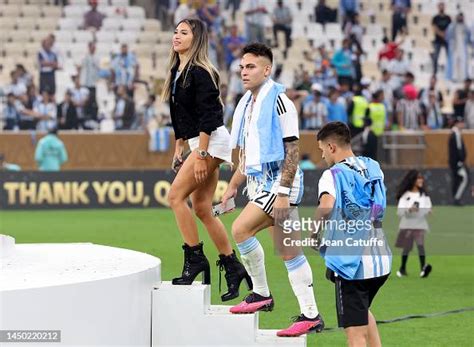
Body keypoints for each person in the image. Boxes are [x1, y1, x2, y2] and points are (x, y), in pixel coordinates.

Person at [223, 43, 324, 337]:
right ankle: (311, 315)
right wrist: (232, 187)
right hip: (262, 184)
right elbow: (249, 157)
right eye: (242, 67)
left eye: (251, 66)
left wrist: (282, 192)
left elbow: (293, 150)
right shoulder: (248, 105)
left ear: (267, 70)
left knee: (241, 230)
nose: (244, 72)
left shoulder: (280, 102)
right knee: (288, 251)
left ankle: (261, 294)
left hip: (278, 184)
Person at [162, 19, 250, 302]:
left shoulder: (200, 72)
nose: (177, 36)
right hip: (200, 142)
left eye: (183, 33)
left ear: (196, 39)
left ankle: (195, 257)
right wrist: (179, 144)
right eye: (176, 31)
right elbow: (181, 115)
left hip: (210, 142)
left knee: (175, 197)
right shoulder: (177, 71)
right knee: (202, 208)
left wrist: (200, 154)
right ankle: (232, 266)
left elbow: (209, 116)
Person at [314, 121, 391, 346]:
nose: (322, 157)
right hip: (381, 260)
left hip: (354, 265)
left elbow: (326, 207)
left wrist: (314, 234)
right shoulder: (373, 166)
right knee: (363, 312)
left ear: (331, 147)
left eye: (321, 150)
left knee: (354, 334)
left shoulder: (333, 174)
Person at [395, 170, 433, 278]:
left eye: (421, 178)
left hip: (420, 224)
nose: (421, 180)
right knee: (407, 247)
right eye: (418, 178)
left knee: (420, 246)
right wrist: (409, 210)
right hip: (407, 225)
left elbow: (428, 207)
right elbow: (400, 212)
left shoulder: (424, 195)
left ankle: (423, 269)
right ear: (413, 180)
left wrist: (428, 210)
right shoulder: (406, 195)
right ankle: (402, 269)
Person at [445, 13, 471, 82]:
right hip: (454, 47)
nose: (460, 18)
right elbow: (447, 36)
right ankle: (454, 77)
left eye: (461, 17)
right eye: (459, 17)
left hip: (462, 46)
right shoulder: (451, 26)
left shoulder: (466, 26)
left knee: (463, 61)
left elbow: (468, 36)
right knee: (454, 62)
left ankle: (463, 77)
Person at [448, 119, 468, 205]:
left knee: (457, 180)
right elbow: (457, 149)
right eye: (461, 123)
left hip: (456, 162)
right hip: (457, 163)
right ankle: (456, 198)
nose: (463, 124)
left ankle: (456, 198)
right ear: (457, 124)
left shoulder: (456, 133)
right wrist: (460, 161)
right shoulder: (456, 134)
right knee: (464, 178)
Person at [80, 42, 100, 121]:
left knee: (93, 101)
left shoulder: (96, 58)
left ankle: (93, 117)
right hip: (85, 83)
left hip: (92, 83)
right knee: (85, 101)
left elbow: (98, 68)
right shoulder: (85, 57)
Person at [431, 1, 451, 75]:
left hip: (446, 40)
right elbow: (434, 28)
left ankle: (449, 71)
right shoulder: (435, 18)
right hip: (437, 40)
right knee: (435, 56)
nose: (441, 7)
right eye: (440, 6)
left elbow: (450, 27)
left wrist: (445, 34)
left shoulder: (448, 18)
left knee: (449, 56)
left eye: (443, 6)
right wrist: (441, 34)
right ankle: (434, 72)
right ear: (438, 7)